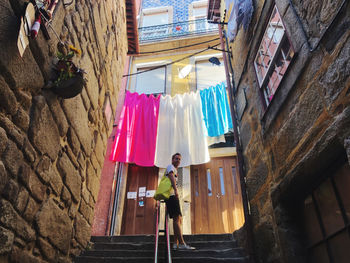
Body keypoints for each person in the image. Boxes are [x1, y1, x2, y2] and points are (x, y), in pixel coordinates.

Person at [165, 153, 195, 250]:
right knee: (177, 219)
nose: (178, 160)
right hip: (171, 196)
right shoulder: (170, 167)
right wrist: (176, 190)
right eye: (176, 158)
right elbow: (171, 176)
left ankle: (175, 243)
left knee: (178, 219)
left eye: (179, 159)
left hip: (172, 196)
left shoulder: (175, 169)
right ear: (172, 159)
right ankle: (182, 243)